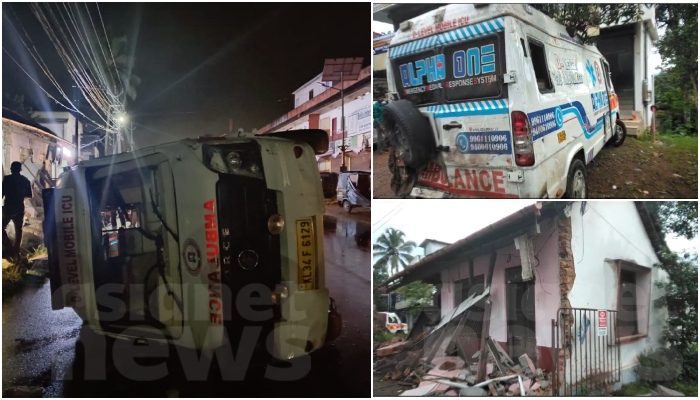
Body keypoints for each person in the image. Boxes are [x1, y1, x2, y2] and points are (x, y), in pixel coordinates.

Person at [2, 162, 32, 260]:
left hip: (8, 207)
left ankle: (9, 248)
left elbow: (2, 193)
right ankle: (16, 251)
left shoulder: (7, 179)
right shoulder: (25, 181)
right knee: (18, 230)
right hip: (19, 207)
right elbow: (29, 195)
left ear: (11, 169)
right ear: (20, 169)